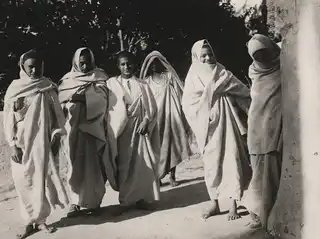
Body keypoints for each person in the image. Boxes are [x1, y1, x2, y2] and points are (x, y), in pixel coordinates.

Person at [182, 39, 252, 221]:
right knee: (212, 164)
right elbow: (188, 103)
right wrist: (203, 113)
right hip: (207, 126)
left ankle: (233, 205)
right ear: (196, 57)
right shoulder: (193, 75)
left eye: (210, 54)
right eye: (203, 55)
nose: (207, 58)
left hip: (227, 122)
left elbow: (242, 90)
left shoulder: (222, 72)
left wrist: (250, 108)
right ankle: (214, 202)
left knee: (232, 158)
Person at [3, 49, 69, 239]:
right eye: (30, 67)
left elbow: (58, 117)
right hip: (22, 143)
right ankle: (27, 222)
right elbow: (8, 119)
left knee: (41, 182)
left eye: (37, 66)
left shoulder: (48, 87)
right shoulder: (15, 89)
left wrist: (56, 137)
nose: (34, 70)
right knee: (22, 181)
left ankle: (41, 221)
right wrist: (12, 144)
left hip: (42, 143)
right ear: (23, 67)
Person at [58, 47, 116, 218]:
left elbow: (103, 100)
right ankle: (75, 203)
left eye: (87, 63)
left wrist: (80, 98)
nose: (84, 67)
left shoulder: (99, 77)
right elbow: (59, 104)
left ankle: (94, 202)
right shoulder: (67, 81)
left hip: (93, 128)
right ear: (75, 62)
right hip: (72, 129)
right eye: (81, 63)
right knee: (74, 165)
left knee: (94, 165)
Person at [106, 50, 161, 213]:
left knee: (141, 163)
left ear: (135, 65)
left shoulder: (143, 84)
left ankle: (142, 198)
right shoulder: (111, 84)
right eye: (122, 64)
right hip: (120, 129)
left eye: (129, 63)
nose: (126, 67)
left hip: (139, 128)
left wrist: (146, 121)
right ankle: (126, 200)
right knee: (124, 164)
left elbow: (152, 106)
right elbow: (108, 107)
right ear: (118, 66)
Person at [242, 34, 283, 229]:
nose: (263, 59)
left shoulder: (285, 66)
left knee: (273, 173)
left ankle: (267, 215)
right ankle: (257, 214)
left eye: (266, 53)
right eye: (258, 56)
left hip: (276, 129)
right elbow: (260, 104)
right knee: (259, 172)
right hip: (259, 129)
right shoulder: (255, 72)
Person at [139, 46, 192, 187]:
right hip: (155, 118)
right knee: (156, 146)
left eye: (157, 62)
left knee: (171, 145)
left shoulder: (169, 76)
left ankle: (172, 175)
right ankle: (157, 177)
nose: (155, 66)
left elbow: (180, 93)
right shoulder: (146, 81)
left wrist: (182, 111)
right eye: (152, 63)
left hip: (170, 115)